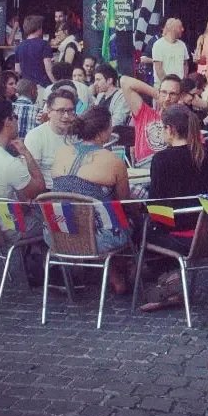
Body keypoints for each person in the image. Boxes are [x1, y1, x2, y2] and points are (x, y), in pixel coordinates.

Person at [142, 104, 208, 311]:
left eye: (162, 128)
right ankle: (170, 280)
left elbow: (157, 208)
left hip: (183, 237)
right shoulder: (206, 155)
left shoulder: (161, 159)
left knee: (140, 228)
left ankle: (168, 283)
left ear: (170, 129)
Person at [47, 105, 132, 292]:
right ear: (103, 132)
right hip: (98, 238)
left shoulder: (61, 152)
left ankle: (113, 274)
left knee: (98, 212)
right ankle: (125, 271)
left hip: (58, 234)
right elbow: (123, 203)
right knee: (127, 220)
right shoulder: (113, 161)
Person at [120, 73, 183, 171]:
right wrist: (157, 95)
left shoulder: (186, 122)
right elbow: (124, 81)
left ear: (180, 96)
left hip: (171, 170)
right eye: (164, 92)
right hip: (144, 170)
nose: (167, 98)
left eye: (172, 94)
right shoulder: (145, 113)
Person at [24, 88, 77, 187]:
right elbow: (32, 175)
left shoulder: (78, 135)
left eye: (70, 111)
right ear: (49, 112)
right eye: (61, 111)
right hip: (48, 192)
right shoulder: (35, 136)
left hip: (75, 191)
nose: (66, 116)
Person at [15, 14, 55, 88]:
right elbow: (49, 69)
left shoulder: (19, 47)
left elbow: (18, 71)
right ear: (38, 28)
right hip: (42, 85)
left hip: (26, 87)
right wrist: (56, 84)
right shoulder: (44, 44)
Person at [150, 17, 189, 84]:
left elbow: (185, 64)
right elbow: (159, 69)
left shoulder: (182, 45)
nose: (183, 29)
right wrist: (168, 85)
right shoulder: (158, 45)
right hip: (162, 86)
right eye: (180, 27)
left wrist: (183, 81)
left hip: (180, 85)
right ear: (173, 28)